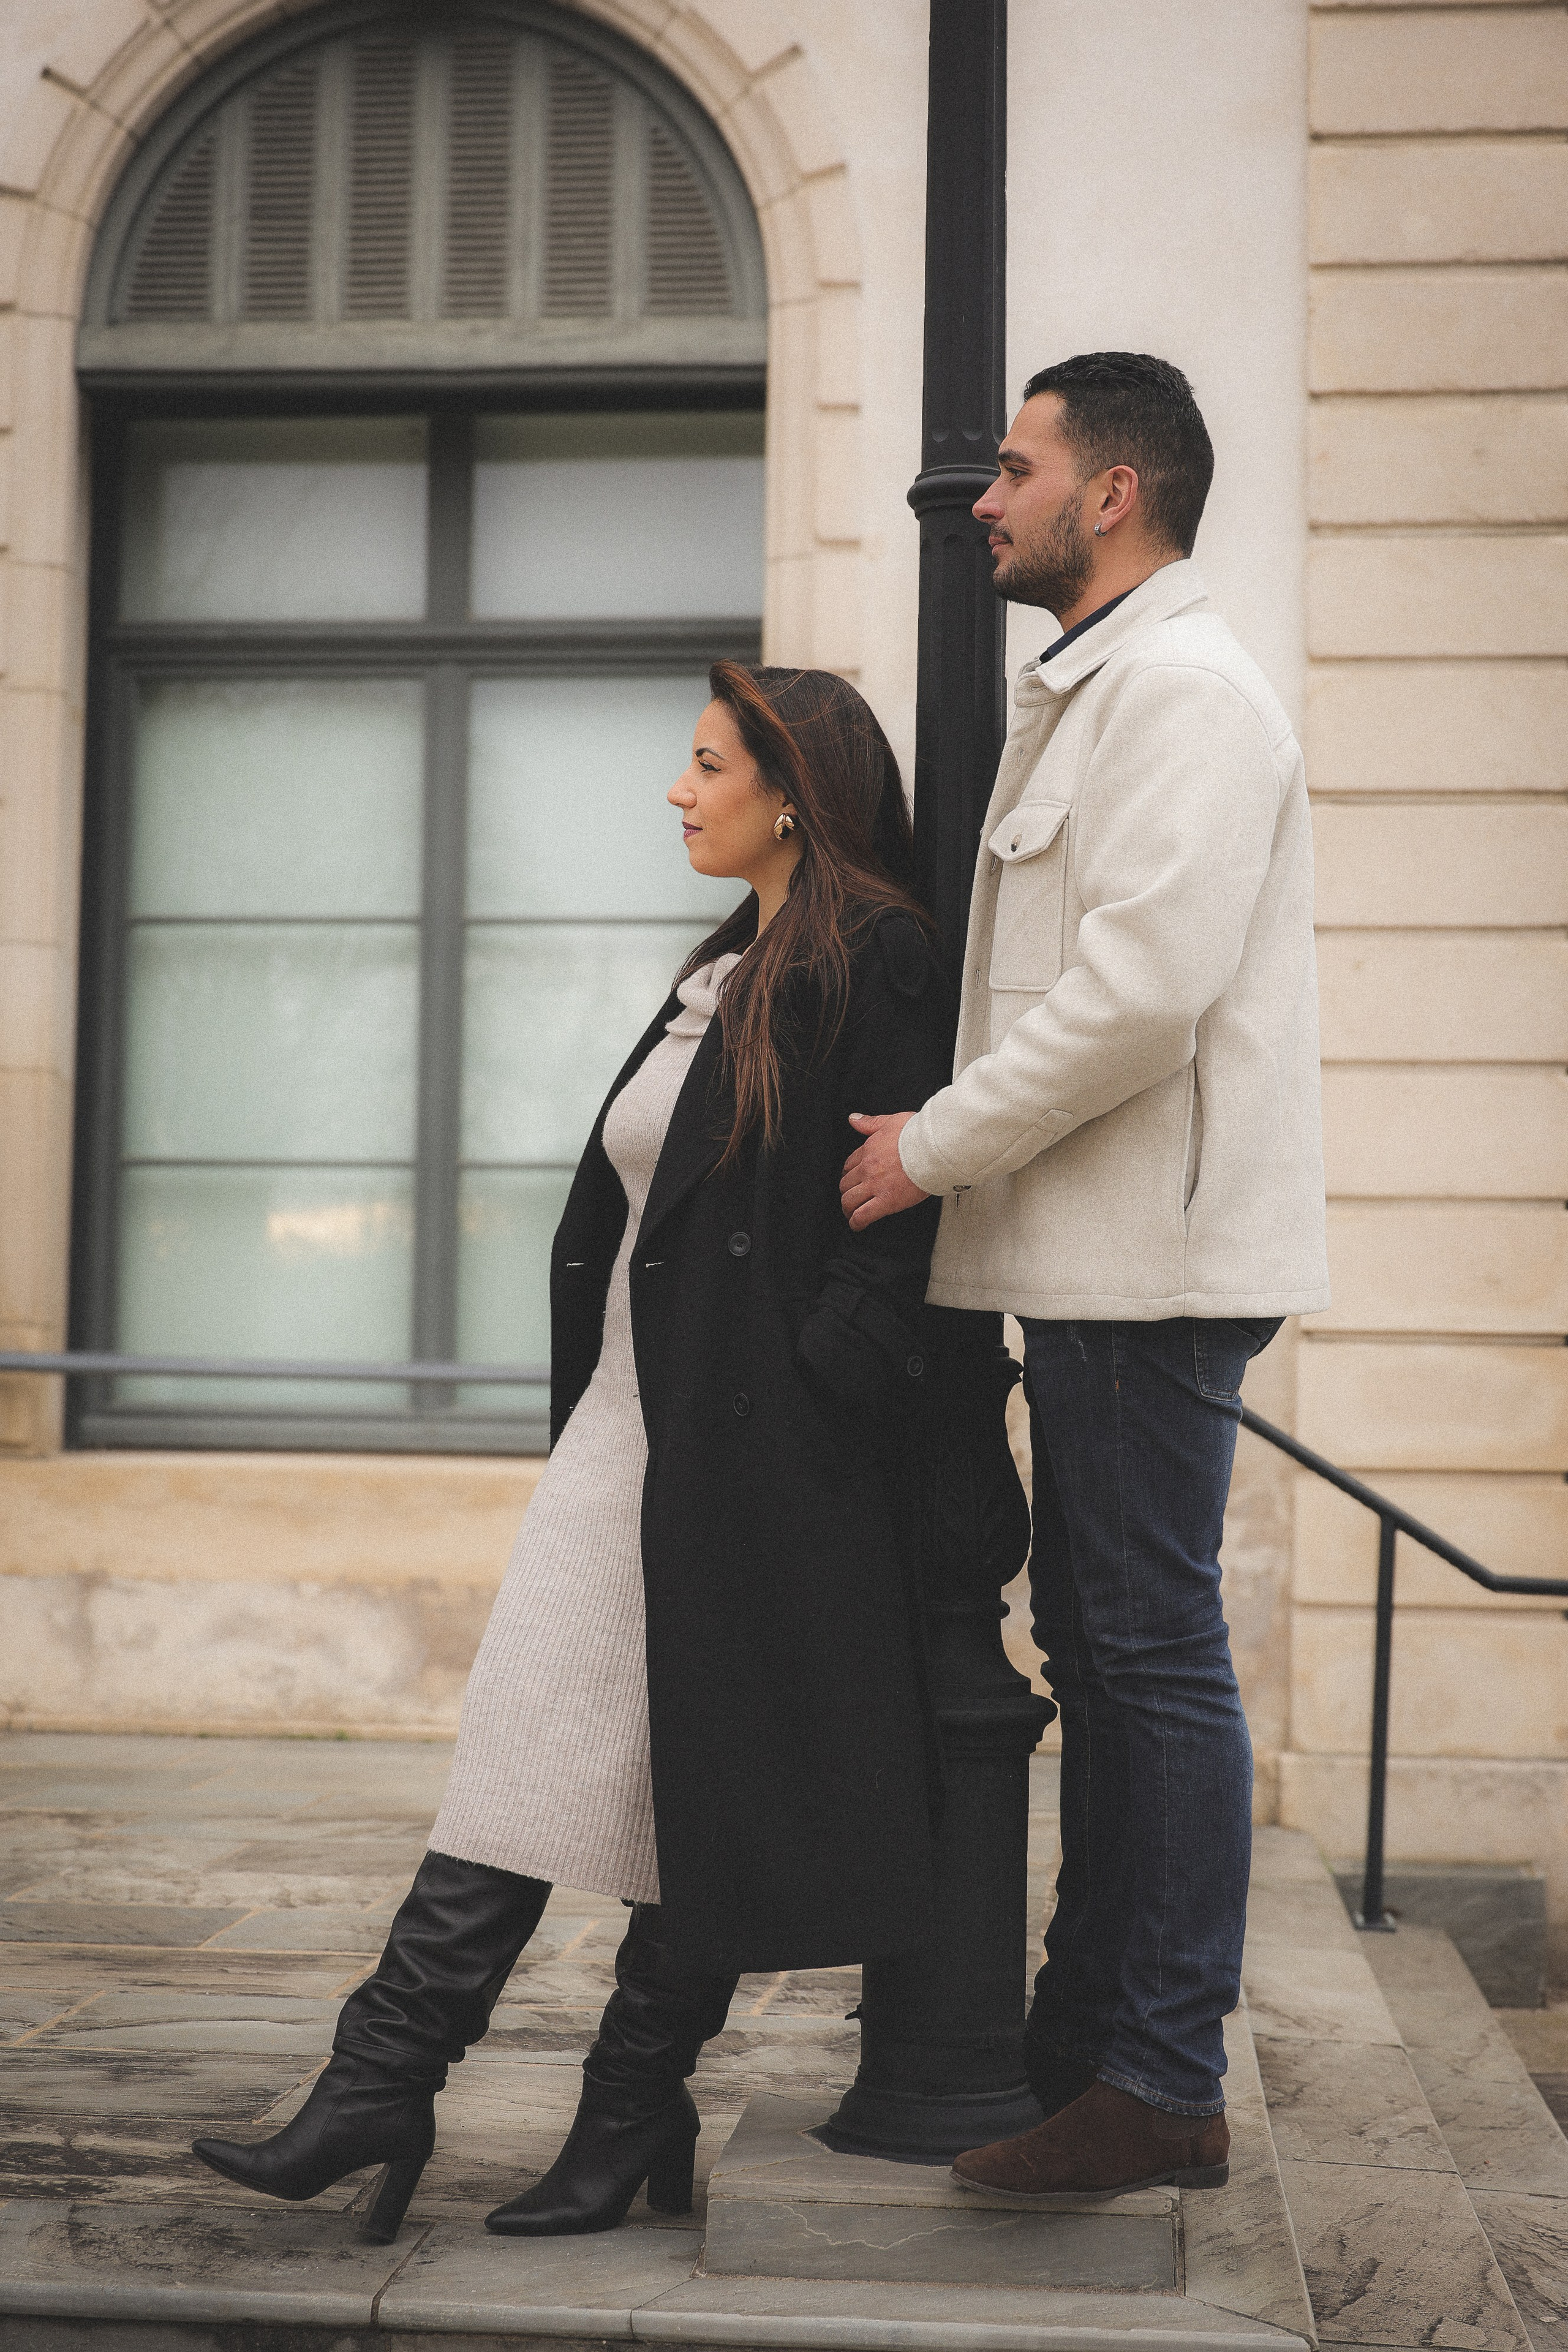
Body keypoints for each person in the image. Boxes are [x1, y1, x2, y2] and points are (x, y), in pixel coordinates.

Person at [192, 662, 953, 2242]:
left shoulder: (873, 954)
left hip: (752, 1446)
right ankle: (393, 2079)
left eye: (708, 764)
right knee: (541, 1739)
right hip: (628, 1422)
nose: (679, 790)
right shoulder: (723, 967)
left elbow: (900, 1212)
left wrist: (816, 1389)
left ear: (792, 793)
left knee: (696, 1777)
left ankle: (603, 2109)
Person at [840, 352, 1329, 2199]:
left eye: (1017, 467)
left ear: (1111, 493)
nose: (984, 499)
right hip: (1105, 1257)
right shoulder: (1109, 685)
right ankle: (1098, 2038)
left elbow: (1137, 999)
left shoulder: (1183, 696)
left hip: (1147, 1266)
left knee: (1148, 1654)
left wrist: (929, 1146)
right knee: (1115, 1657)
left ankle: (1158, 2074)